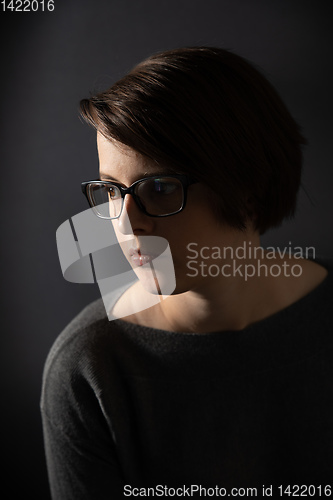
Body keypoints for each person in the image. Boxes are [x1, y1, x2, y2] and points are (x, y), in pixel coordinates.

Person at [41, 47, 333, 498]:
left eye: (158, 188)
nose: (126, 223)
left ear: (247, 189)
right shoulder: (91, 369)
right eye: (113, 191)